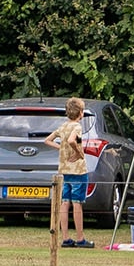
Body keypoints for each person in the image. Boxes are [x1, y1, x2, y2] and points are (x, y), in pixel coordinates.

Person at [44, 98, 97, 248]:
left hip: (64, 170)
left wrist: (60, 148)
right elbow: (73, 140)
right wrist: (79, 152)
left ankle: (66, 238)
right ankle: (80, 238)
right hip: (78, 171)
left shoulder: (63, 127)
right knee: (77, 203)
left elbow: (47, 140)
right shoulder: (77, 127)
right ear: (81, 113)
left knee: (64, 202)